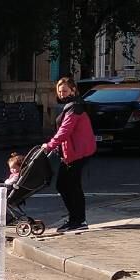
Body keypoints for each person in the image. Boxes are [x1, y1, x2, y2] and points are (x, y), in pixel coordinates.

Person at [42, 76, 96, 232]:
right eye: (59, 91)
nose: (62, 94)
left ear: (73, 90)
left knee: (67, 185)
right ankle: (77, 219)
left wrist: (50, 146)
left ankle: (78, 220)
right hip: (73, 152)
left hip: (78, 152)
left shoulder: (75, 107)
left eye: (65, 90)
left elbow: (65, 130)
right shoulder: (72, 105)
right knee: (70, 185)